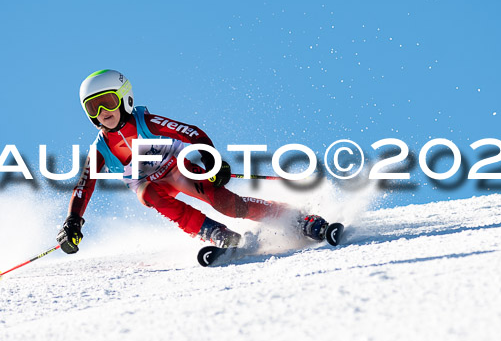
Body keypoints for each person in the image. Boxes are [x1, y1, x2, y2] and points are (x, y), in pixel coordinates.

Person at [56, 69, 330, 254]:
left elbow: (192, 133)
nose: (103, 112)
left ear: (124, 98)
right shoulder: (102, 147)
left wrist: (212, 161)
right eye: (94, 107)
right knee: (149, 194)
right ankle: (214, 233)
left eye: (107, 102)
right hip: (147, 184)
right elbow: (84, 184)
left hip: (176, 169)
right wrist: (73, 221)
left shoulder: (147, 123)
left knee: (227, 204)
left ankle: (297, 220)